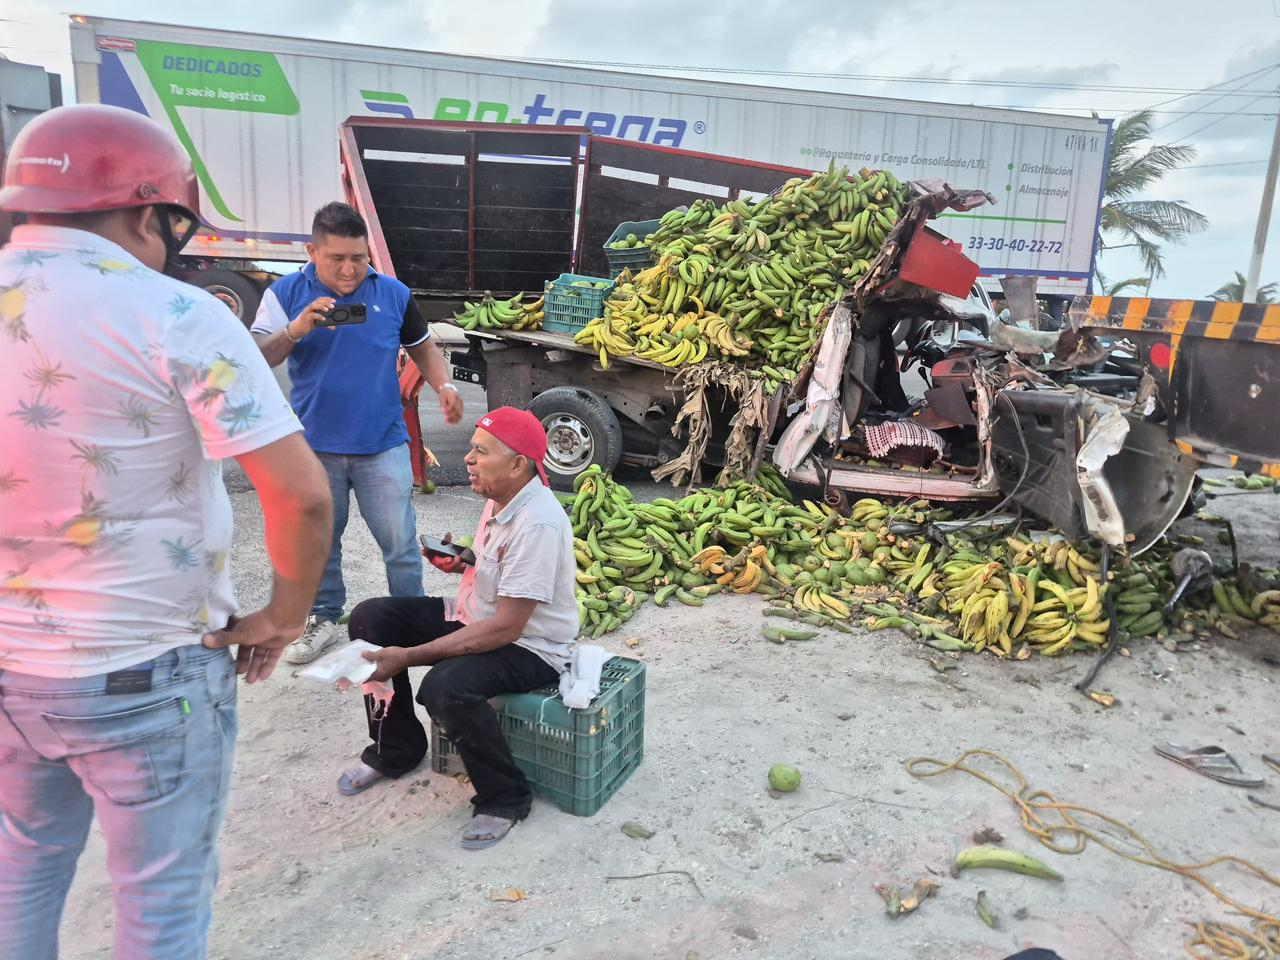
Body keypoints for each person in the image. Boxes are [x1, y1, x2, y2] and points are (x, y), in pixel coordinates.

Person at [0, 104, 332, 959]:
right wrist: (283, 617)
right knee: (159, 912)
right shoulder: (171, 312)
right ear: (152, 215)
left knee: (22, 877)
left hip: (10, 674)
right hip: (145, 671)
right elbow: (299, 496)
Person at [340, 407, 577, 849]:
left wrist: (409, 657)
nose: (468, 459)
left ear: (517, 464)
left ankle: (505, 797)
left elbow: (507, 627)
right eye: (471, 448)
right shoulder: (501, 494)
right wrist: (464, 560)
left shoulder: (539, 523)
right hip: (477, 614)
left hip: (530, 644)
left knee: (445, 686)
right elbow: (496, 570)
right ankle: (396, 751)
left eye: (480, 451)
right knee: (370, 618)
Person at [250, 201, 464, 664]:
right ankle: (325, 619)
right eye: (337, 259)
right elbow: (259, 356)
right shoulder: (285, 294)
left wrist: (443, 384)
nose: (349, 270)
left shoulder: (393, 294)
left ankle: (411, 625)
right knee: (322, 543)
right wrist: (295, 328)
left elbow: (423, 346)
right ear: (312, 252)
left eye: (359, 258)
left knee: (401, 545)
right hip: (314, 448)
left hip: (382, 444)